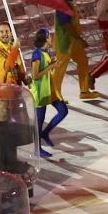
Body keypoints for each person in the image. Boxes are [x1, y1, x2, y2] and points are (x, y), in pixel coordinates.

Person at [52, 0, 100, 101]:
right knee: (60, 68)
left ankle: (84, 91)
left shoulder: (68, 3)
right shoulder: (62, 5)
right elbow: (66, 25)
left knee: (83, 61)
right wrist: (80, 39)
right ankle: (54, 95)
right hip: (65, 42)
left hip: (74, 41)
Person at [26, 29, 64, 158]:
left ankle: (45, 133)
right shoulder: (37, 55)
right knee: (39, 121)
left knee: (63, 110)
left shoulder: (44, 53)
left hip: (49, 90)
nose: (51, 39)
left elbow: (47, 70)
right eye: (50, 37)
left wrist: (52, 64)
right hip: (40, 92)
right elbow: (36, 76)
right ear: (45, 38)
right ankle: (37, 149)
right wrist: (50, 67)